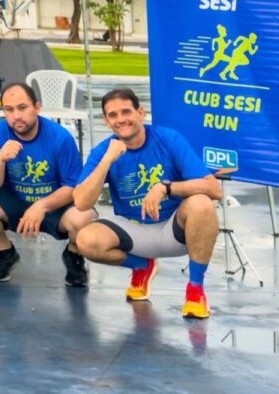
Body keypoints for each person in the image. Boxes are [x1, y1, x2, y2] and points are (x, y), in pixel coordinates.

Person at [68, 88, 221, 319]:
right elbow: (81, 202)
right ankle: (142, 266)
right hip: (133, 232)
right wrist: (108, 160)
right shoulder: (103, 150)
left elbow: (213, 189)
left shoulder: (168, 139)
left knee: (201, 203)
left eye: (126, 112)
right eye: (113, 115)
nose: (121, 119)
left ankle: (195, 291)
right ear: (106, 122)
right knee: (86, 240)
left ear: (141, 112)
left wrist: (165, 187)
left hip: (174, 229)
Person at [0, 81, 93, 286]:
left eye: (22, 108)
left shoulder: (60, 138)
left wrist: (41, 206)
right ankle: (5, 252)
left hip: (54, 207)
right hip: (15, 203)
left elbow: (73, 188)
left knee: (85, 217)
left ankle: (74, 255)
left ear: (37, 107)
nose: (16, 116)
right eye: (9, 110)